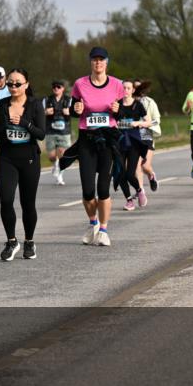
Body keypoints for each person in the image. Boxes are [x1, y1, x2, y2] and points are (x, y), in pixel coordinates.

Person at [64, 47, 123, 247]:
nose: (98, 63)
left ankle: (104, 230)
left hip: (108, 140)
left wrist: (118, 110)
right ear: (90, 62)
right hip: (87, 140)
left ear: (107, 62)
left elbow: (122, 112)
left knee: (103, 189)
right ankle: (93, 223)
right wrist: (76, 109)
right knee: (88, 191)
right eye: (95, 59)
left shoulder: (116, 84)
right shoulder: (80, 84)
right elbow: (74, 110)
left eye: (101, 59)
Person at [0, 68, 45, 261]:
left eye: (17, 84)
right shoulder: (2, 104)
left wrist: (24, 123)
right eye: (10, 83)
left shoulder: (35, 105)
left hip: (29, 159)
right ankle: (11, 241)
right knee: (5, 200)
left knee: (27, 203)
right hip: (7, 158)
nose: (13, 86)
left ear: (26, 85)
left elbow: (41, 134)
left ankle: (29, 241)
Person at [116, 79, 151, 210]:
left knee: (130, 174)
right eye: (123, 88)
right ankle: (129, 200)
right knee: (120, 173)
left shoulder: (138, 105)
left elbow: (148, 122)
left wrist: (138, 123)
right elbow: (111, 120)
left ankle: (139, 190)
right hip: (119, 141)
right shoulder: (116, 104)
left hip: (133, 142)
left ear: (133, 90)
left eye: (128, 88)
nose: (125, 90)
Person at [43, 79, 73, 186]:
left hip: (64, 131)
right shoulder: (47, 99)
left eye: (58, 87)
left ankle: (59, 175)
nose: (56, 88)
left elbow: (75, 112)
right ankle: (56, 164)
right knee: (52, 156)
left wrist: (68, 112)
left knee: (62, 153)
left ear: (63, 89)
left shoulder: (69, 100)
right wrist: (45, 112)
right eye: (54, 87)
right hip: (50, 130)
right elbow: (39, 112)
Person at [134, 79, 162, 192]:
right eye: (134, 87)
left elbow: (157, 120)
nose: (137, 90)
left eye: (139, 88)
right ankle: (140, 191)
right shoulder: (126, 102)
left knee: (145, 166)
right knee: (136, 165)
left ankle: (151, 175)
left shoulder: (150, 102)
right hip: (133, 137)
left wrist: (146, 124)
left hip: (147, 136)